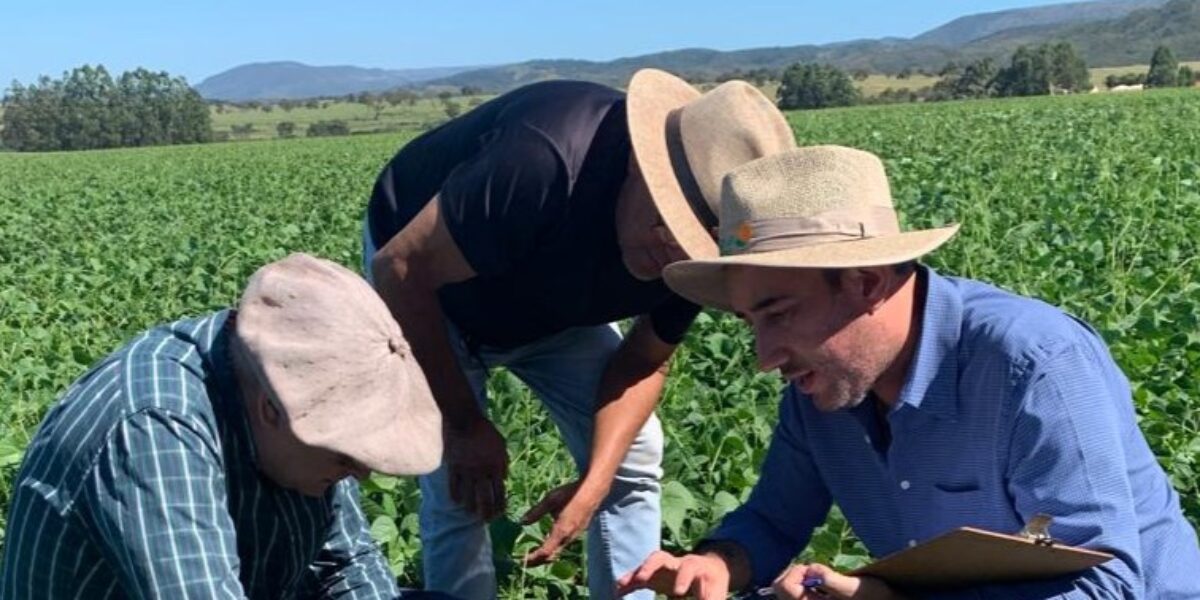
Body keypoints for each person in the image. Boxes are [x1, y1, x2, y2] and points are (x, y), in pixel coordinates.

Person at [619, 146, 1200, 599]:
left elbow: (1109, 586)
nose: (765, 356)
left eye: (780, 314)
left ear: (866, 283)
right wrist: (718, 563)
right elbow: (774, 518)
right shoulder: (819, 391)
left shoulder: (1033, 365)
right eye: (752, 323)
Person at [363, 68, 795, 599]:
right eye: (667, 221)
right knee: (458, 484)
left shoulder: (693, 263)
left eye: (696, 246)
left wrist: (595, 483)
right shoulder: (541, 160)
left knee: (633, 459)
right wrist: (463, 422)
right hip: (429, 292)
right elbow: (401, 269)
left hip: (556, 308)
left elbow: (643, 361)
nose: (674, 252)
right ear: (642, 163)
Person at [1, 253, 450, 599]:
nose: (361, 473)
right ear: (271, 409)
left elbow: (347, 562)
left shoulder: (293, 378)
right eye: (345, 456)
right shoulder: (156, 427)